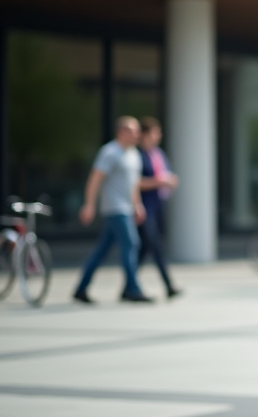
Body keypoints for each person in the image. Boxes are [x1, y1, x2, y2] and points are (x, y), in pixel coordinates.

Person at [74, 117, 150, 304]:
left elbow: (133, 185)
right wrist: (89, 205)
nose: (137, 134)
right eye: (134, 130)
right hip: (115, 208)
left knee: (102, 250)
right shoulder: (110, 152)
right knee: (132, 243)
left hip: (127, 207)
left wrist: (138, 205)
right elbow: (95, 180)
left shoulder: (134, 155)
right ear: (122, 132)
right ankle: (133, 289)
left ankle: (81, 288)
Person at [137, 117, 181, 297]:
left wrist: (170, 181)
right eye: (156, 132)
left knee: (145, 247)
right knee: (155, 244)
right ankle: (168, 285)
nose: (159, 135)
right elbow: (135, 182)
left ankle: (129, 285)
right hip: (143, 204)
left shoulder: (158, 154)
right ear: (146, 134)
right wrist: (158, 181)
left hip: (158, 205)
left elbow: (166, 173)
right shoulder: (138, 156)